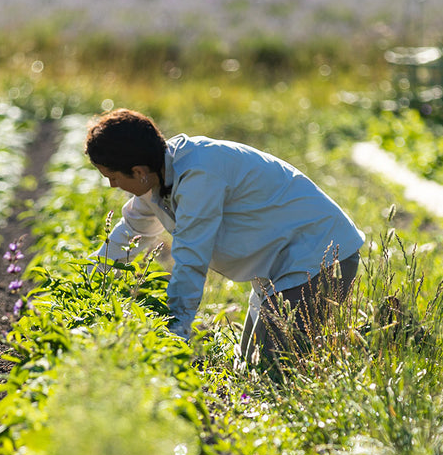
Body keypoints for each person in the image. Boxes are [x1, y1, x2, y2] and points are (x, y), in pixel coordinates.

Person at [85, 107, 364, 367]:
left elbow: (191, 256)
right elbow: (130, 232)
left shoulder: (199, 173)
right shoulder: (157, 179)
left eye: (112, 176)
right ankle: (352, 342)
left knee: (271, 368)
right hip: (282, 268)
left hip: (319, 257)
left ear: (138, 172)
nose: (112, 185)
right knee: (248, 364)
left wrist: (177, 327)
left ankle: (365, 341)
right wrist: (88, 282)